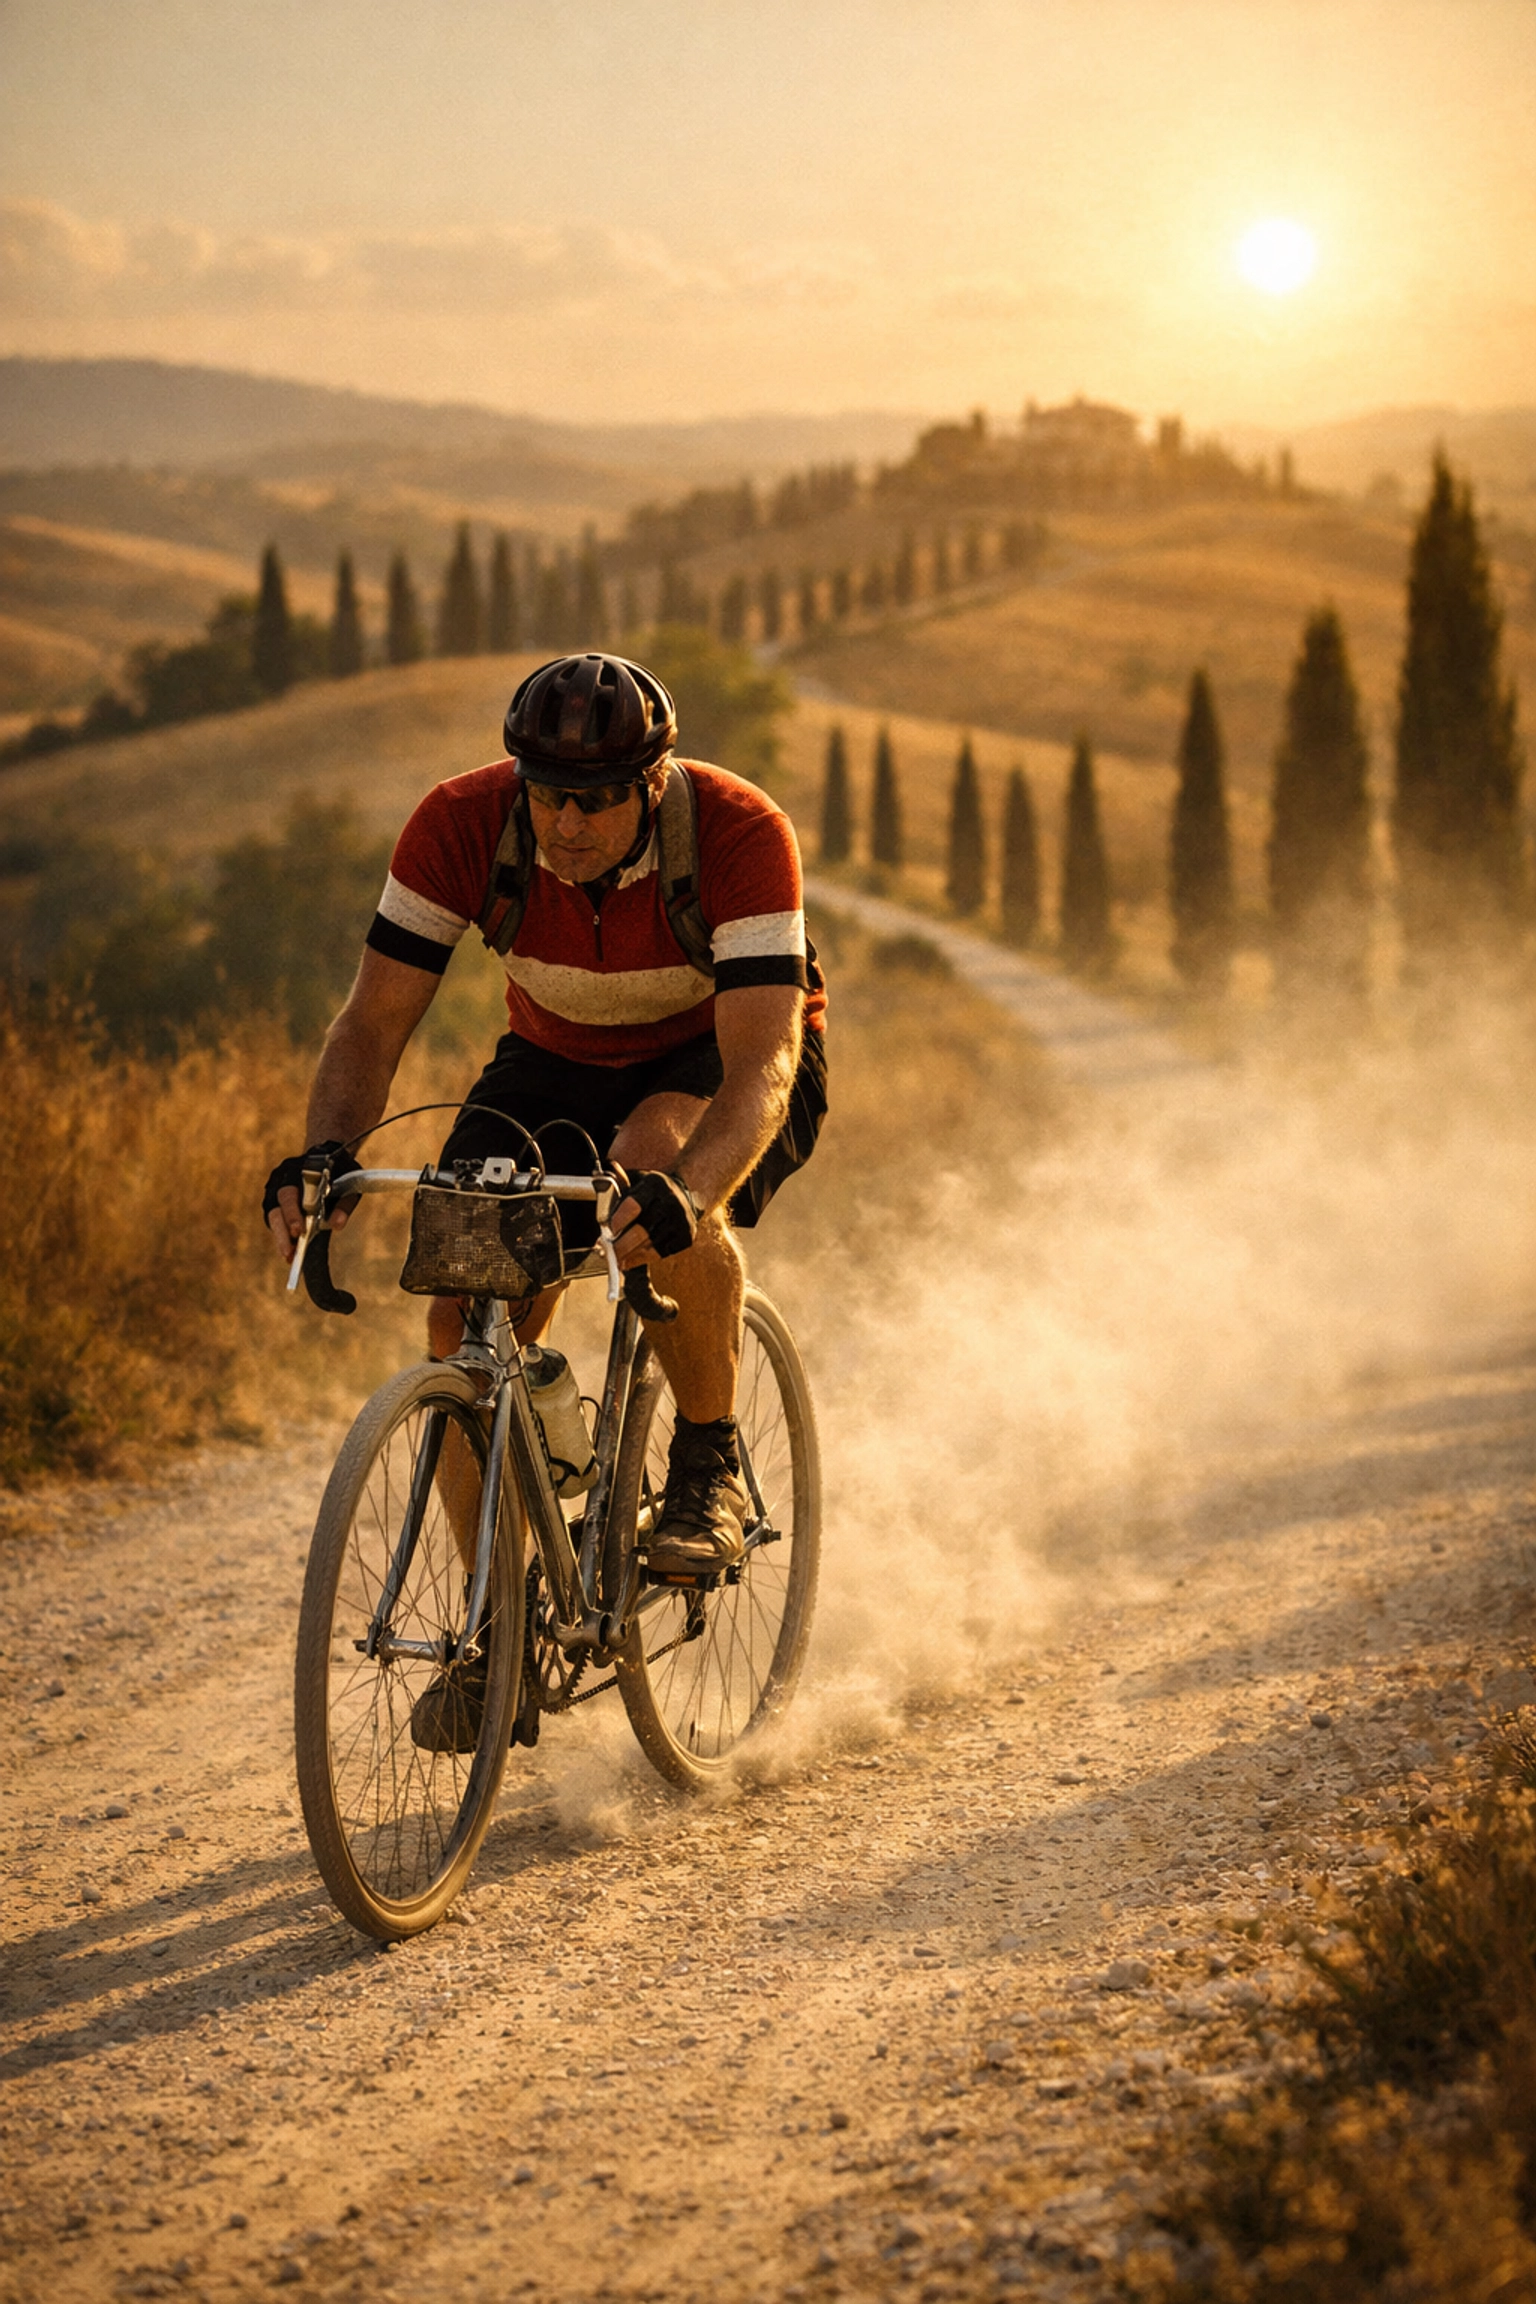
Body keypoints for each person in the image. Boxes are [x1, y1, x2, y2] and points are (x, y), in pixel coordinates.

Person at [265, 651, 826, 1578]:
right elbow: (370, 1025)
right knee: (460, 1304)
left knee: (654, 1169)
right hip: (558, 1054)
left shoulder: (737, 829)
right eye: (547, 794)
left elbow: (764, 1059)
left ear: (652, 783)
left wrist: (688, 1192)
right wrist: (324, 1153)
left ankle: (706, 1461)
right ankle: (499, 1613)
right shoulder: (460, 824)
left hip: (723, 1052)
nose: (567, 823)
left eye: (597, 798)